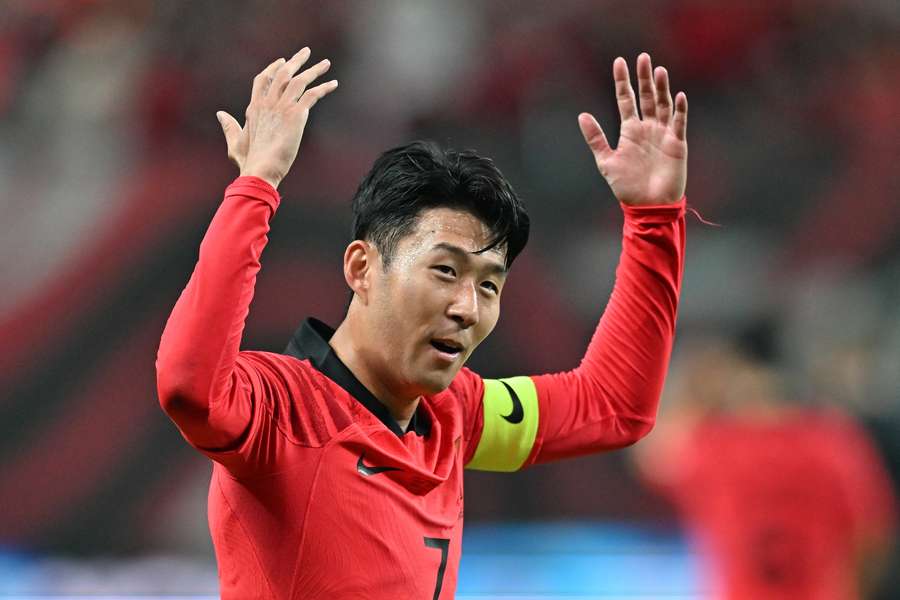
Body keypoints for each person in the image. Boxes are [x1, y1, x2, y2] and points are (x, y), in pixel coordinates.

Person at [156, 46, 688, 599]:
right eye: (445, 270)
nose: (468, 307)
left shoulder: (455, 416)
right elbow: (188, 386)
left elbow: (612, 407)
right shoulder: (282, 413)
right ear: (362, 268)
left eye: (488, 284)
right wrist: (257, 184)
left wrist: (653, 221)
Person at [635, 336, 897, 600]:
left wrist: (697, 386)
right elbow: (874, 532)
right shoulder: (833, 443)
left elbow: (649, 452)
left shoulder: (714, 448)